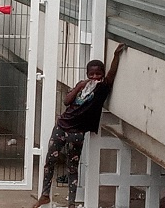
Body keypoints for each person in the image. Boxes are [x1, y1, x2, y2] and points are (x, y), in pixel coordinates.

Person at [33, 43, 127, 208]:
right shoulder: (82, 86)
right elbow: (66, 101)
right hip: (61, 127)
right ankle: (45, 194)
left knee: (72, 167)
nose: (95, 77)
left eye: (99, 74)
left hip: (77, 133)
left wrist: (116, 56)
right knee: (50, 160)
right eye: (92, 74)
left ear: (103, 75)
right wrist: (79, 87)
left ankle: (71, 202)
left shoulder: (102, 88)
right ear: (87, 74)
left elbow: (112, 74)